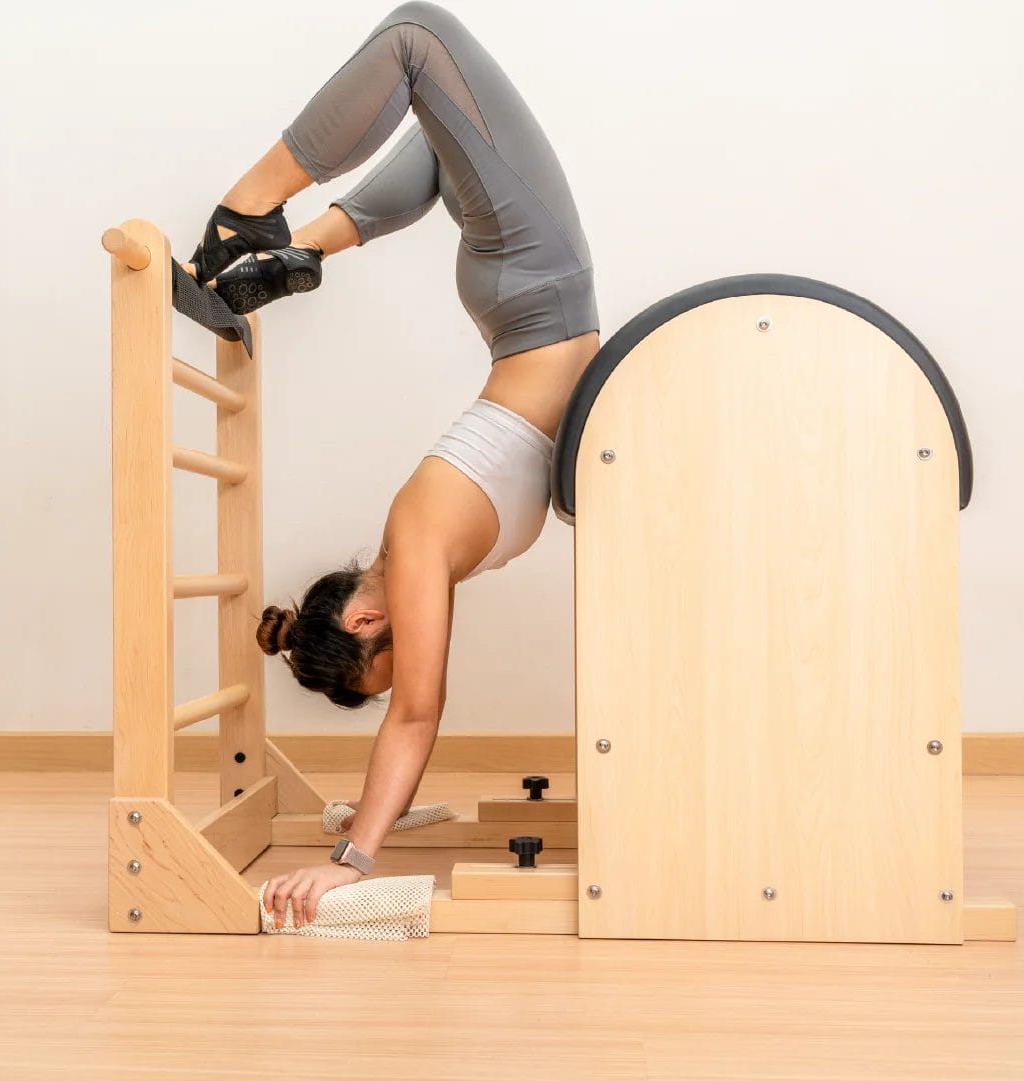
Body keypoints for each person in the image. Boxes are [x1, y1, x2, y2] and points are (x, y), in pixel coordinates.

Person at [191, 3, 598, 930]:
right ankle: (302, 252)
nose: (412, 650)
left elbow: (415, 711)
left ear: (368, 616)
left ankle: (250, 217)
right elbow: (407, 707)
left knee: (417, 36)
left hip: (534, 281)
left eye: (389, 651)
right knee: (443, 119)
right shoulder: (425, 549)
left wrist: (351, 860)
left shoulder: (415, 542)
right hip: (529, 294)